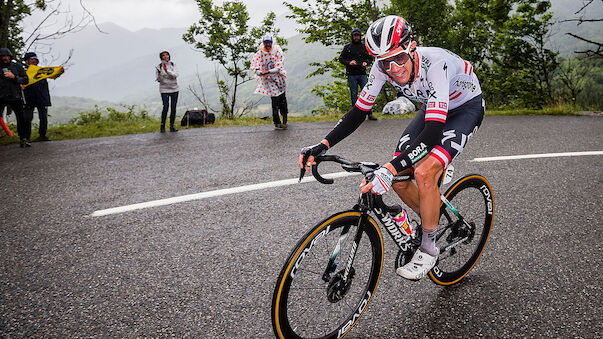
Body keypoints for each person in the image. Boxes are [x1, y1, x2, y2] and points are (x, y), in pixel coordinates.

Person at [299, 15, 485, 281]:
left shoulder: (435, 65)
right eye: (384, 62)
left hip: (465, 108)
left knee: (421, 172)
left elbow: (432, 133)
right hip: (432, 108)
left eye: (398, 58)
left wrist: (389, 169)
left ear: (412, 46)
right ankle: (432, 208)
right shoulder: (381, 67)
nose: (393, 68)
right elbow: (358, 112)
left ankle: (429, 246)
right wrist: (323, 144)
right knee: (397, 177)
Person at [251, 35, 288, 130]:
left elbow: (278, 67)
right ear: (263, 43)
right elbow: (257, 69)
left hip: (279, 79)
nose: (267, 44)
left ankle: (284, 118)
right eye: (265, 42)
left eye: (269, 42)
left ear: (271, 43)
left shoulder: (277, 51)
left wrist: (268, 71)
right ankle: (277, 122)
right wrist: (262, 72)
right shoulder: (259, 54)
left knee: (282, 100)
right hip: (269, 80)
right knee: (275, 100)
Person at [339, 27, 377, 121]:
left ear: (360, 36)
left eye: (358, 35)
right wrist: (349, 62)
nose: (356, 37)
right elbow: (341, 59)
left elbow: (370, 58)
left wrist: (366, 63)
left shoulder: (364, 47)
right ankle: (355, 116)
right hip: (351, 74)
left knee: (367, 93)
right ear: (352, 36)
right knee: (354, 94)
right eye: (355, 35)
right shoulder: (347, 47)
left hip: (362, 73)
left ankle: (370, 114)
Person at [22, 52, 62, 141]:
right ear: (27, 61)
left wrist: (59, 72)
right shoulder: (23, 71)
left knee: (43, 117)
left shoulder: (41, 70)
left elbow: (53, 74)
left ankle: (42, 135)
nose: (33, 61)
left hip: (41, 96)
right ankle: (26, 137)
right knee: (28, 118)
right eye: (31, 59)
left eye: (35, 59)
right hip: (28, 97)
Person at [0, 48, 29, 147]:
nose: (5, 58)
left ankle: (23, 139)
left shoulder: (17, 66)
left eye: (7, 56)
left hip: (15, 96)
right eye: (3, 56)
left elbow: (26, 80)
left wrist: (14, 77)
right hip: (1, 96)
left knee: (21, 118)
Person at [155, 51, 179, 133]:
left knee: (173, 107)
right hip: (164, 89)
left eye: (167, 54)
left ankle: (172, 126)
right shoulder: (159, 66)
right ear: (161, 57)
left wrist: (167, 71)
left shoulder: (173, 64)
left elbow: (175, 75)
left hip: (174, 88)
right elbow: (159, 80)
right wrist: (159, 73)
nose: (166, 56)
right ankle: (162, 126)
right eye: (163, 55)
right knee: (165, 107)